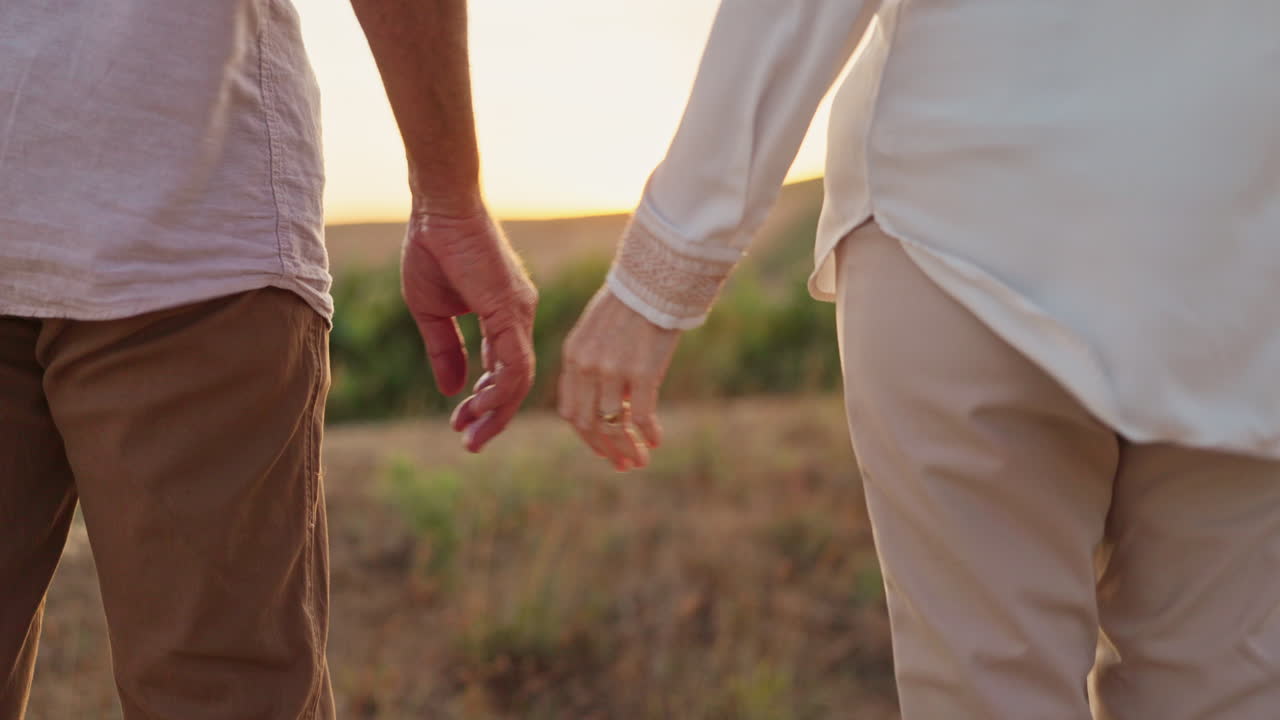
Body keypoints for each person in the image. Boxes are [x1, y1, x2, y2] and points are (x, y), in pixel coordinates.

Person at [559, 1, 1280, 718]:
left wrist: (661, 270)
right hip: (1240, 247)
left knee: (994, 693)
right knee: (1224, 690)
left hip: (964, 215)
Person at [0, 1, 535, 718]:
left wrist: (448, 196)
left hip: (186, 241)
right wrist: (450, 197)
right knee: (222, 692)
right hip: (187, 208)